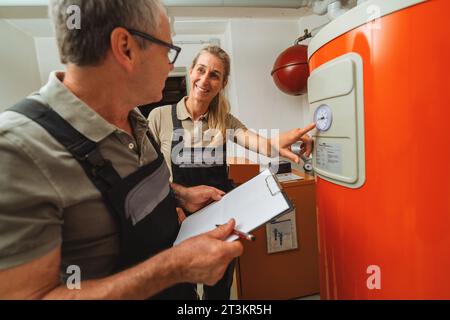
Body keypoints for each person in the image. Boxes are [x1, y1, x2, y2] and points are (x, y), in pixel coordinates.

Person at [0, 0, 243, 300]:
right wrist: (175, 267)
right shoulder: (17, 150)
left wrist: (179, 195)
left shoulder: (136, 118)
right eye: (168, 50)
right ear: (125, 48)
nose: (170, 65)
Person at [148, 45, 316, 299]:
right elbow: (148, 173)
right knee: (180, 289)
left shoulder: (224, 120)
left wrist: (289, 141)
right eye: (201, 70)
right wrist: (175, 199)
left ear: (222, 83)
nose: (205, 80)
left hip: (219, 219)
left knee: (218, 289)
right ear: (190, 71)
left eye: (214, 75)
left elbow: (261, 143)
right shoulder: (159, 117)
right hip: (177, 219)